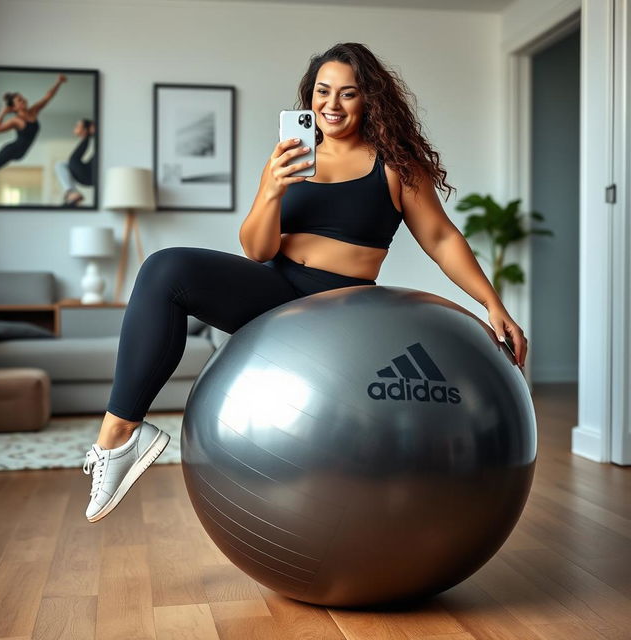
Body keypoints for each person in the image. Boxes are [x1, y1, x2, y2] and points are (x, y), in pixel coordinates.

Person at [82, 42, 528, 523]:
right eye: (323, 91)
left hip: (341, 308)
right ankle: (120, 436)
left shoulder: (395, 164)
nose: (331, 105)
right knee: (164, 268)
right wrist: (272, 188)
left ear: (369, 99)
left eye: (348, 94)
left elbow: (441, 238)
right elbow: (257, 249)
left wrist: (492, 304)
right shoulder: (291, 156)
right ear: (309, 94)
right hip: (276, 295)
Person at [0, 74, 67, 172]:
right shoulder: (16, 120)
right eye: (20, 100)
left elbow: (48, 97)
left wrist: (59, 82)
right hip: (12, 150)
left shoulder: (33, 111)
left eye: (23, 98)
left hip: (21, 153)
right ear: (14, 107)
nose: (24, 100)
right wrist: (3, 112)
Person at [55, 118, 95, 206]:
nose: (75, 128)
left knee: (68, 163)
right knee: (61, 165)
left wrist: (88, 134)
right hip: (87, 173)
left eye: (77, 126)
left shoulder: (99, 138)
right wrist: (86, 136)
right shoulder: (91, 140)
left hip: (88, 174)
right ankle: (71, 192)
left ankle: (71, 192)